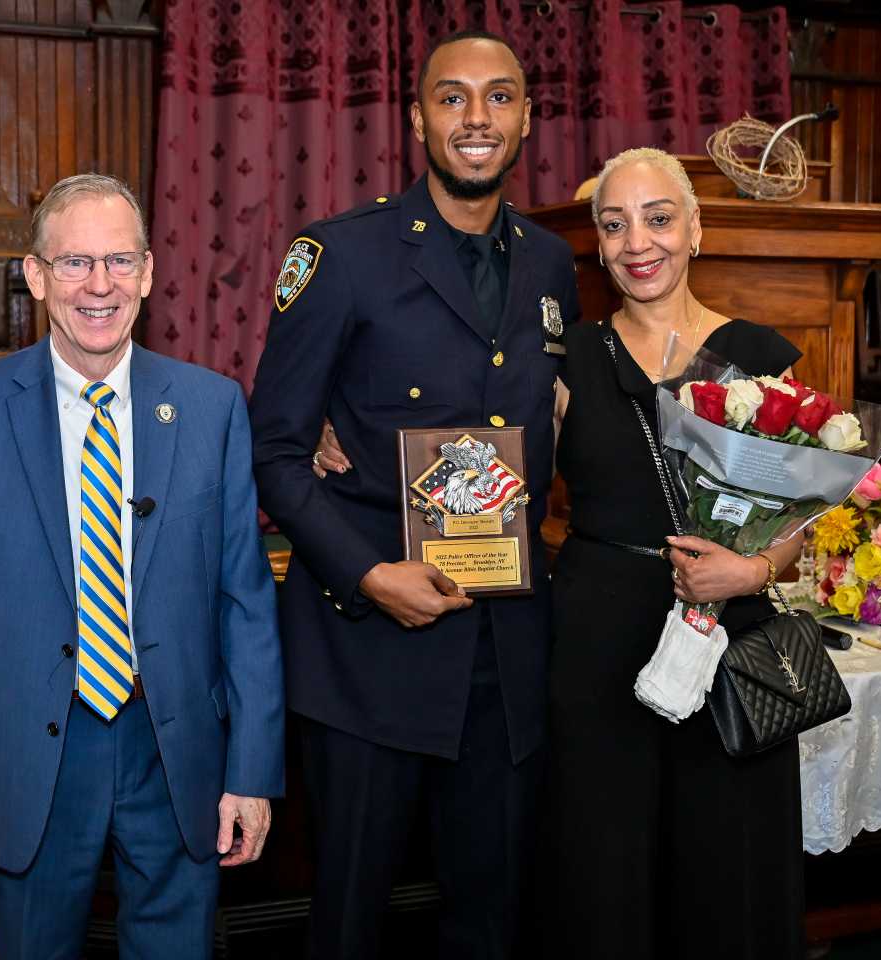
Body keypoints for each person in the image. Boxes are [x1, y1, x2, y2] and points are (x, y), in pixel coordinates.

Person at [249, 30, 580, 960]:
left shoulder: (554, 264)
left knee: (492, 923)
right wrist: (366, 575)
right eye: (452, 97)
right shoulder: (339, 254)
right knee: (349, 922)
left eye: (499, 97)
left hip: (506, 654)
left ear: (526, 120)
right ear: (417, 119)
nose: (477, 118)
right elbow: (273, 451)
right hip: (368, 655)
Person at [0, 173, 285, 958]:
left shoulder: (210, 407)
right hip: (29, 754)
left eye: (118, 261)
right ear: (37, 276)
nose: (98, 285)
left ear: (146, 272)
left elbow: (244, 603)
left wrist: (253, 773)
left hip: (175, 751)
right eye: (74, 262)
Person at [543, 147, 807, 958]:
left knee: (727, 868)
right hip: (598, 644)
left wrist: (752, 569)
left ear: (695, 230)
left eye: (658, 219)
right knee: (604, 868)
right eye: (614, 225)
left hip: (730, 638)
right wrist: (344, 438)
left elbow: (798, 522)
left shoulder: (762, 356)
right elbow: (498, 473)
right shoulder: (566, 361)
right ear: (597, 244)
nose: (638, 242)